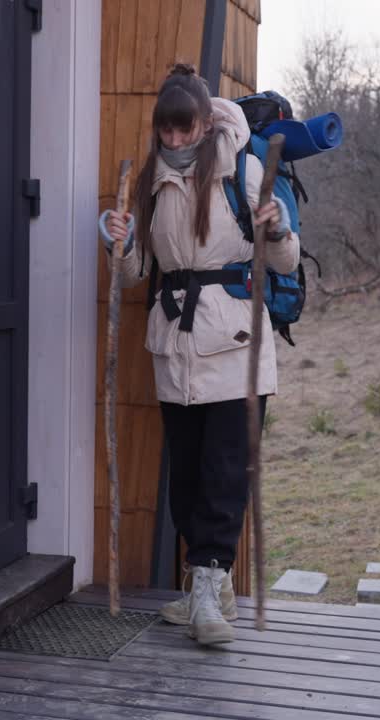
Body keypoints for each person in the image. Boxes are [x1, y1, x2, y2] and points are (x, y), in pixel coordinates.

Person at [99, 64, 299, 645]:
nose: (177, 142)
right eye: (168, 132)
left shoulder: (244, 168)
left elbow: (283, 261)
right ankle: (206, 592)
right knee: (186, 477)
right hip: (175, 348)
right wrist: (120, 242)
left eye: (186, 131)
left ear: (207, 123)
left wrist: (279, 227)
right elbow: (139, 274)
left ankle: (209, 589)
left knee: (223, 474)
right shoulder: (150, 181)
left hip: (237, 346)